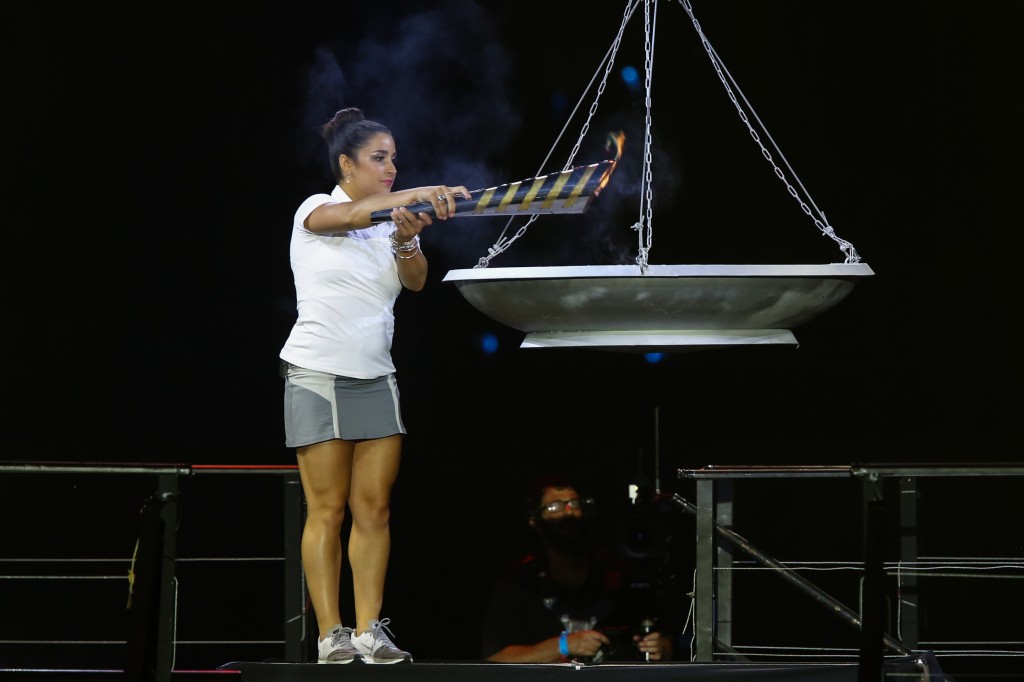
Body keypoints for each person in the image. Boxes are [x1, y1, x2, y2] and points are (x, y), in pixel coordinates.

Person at [279, 106, 471, 665]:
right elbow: (354, 214)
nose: (390, 169)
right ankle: (331, 634)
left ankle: (368, 629)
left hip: (376, 376)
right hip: (317, 374)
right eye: (379, 159)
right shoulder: (316, 209)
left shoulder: (388, 221)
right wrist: (416, 192)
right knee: (329, 510)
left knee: (375, 509)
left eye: (394, 161)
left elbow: (415, 283)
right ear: (347, 163)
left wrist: (408, 238)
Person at [479, 474, 678, 663]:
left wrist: (662, 648)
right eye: (555, 506)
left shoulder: (618, 573)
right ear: (534, 520)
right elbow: (494, 659)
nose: (568, 512)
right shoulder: (518, 583)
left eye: (574, 504)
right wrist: (563, 646)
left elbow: (667, 640)